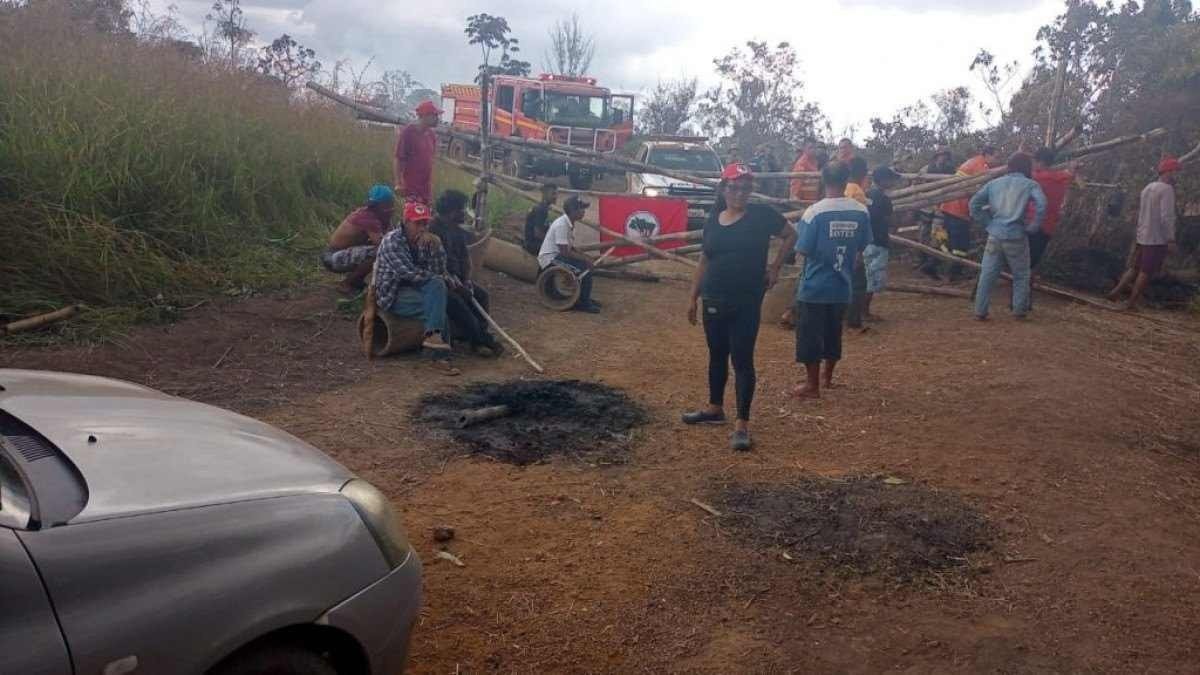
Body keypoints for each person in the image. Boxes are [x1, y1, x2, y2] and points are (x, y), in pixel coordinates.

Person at [682, 162, 796, 451]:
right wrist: (693, 296)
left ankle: (742, 424)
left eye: (746, 187)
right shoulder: (713, 220)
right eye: (734, 187)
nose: (740, 193)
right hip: (713, 298)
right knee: (716, 354)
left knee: (742, 360)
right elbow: (705, 260)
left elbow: (791, 234)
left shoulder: (761, 216)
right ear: (723, 188)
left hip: (746, 299)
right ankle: (714, 408)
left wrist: (775, 267)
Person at [791, 161, 872, 399]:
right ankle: (828, 378)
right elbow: (862, 246)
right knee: (833, 332)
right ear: (847, 179)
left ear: (823, 180)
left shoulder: (815, 212)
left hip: (815, 285)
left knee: (809, 335)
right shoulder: (860, 211)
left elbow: (803, 249)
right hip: (842, 284)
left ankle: (811, 385)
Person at [969, 153, 1046, 320]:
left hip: (994, 235)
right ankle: (1019, 311)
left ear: (1009, 166)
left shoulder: (994, 183)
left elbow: (974, 204)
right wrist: (1033, 227)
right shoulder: (1030, 184)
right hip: (1017, 236)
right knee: (1021, 275)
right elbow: (1042, 205)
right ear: (1027, 167)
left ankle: (980, 311)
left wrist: (987, 223)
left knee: (987, 274)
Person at [429, 190, 504, 356]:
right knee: (458, 303)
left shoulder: (456, 229)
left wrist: (468, 281)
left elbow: (465, 258)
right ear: (451, 211)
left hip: (458, 279)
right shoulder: (432, 230)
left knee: (481, 295)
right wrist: (454, 284)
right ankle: (481, 341)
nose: (465, 212)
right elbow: (434, 266)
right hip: (440, 281)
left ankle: (477, 337)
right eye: (462, 209)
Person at [373, 201, 452, 352]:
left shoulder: (426, 240)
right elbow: (408, 274)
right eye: (418, 223)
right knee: (438, 306)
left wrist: (438, 247)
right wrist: (437, 279)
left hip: (415, 289)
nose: (422, 228)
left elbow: (439, 270)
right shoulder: (392, 241)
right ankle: (438, 357)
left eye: (425, 223)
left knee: (437, 292)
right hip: (393, 295)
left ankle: (434, 343)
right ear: (406, 222)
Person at [1107, 157, 1180, 310]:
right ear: (1169, 172)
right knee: (1146, 271)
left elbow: (1141, 213)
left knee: (1134, 267)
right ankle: (1131, 303)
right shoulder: (1167, 190)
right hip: (1157, 238)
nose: (1176, 175)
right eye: (1175, 171)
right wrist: (1170, 239)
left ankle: (1115, 292)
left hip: (1143, 235)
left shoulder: (1147, 188)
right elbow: (1166, 217)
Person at [321, 184, 394, 294]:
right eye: (388, 204)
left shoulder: (369, 213)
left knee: (375, 250)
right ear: (383, 205)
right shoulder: (369, 218)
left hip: (334, 255)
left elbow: (388, 235)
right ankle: (347, 283)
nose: (390, 207)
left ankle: (356, 281)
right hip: (333, 258)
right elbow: (384, 244)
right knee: (378, 252)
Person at [938, 145, 997, 281]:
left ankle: (945, 269)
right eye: (995, 156)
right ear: (987, 154)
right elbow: (985, 188)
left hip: (950, 206)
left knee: (952, 242)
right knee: (960, 244)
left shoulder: (973, 161)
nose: (996, 160)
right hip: (958, 208)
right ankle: (953, 274)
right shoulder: (981, 166)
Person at [537, 196, 601, 313]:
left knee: (584, 265)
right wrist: (586, 260)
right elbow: (565, 252)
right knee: (584, 269)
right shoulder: (562, 225)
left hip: (557, 256)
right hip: (550, 259)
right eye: (581, 209)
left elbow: (570, 248)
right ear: (573, 210)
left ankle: (583, 298)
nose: (583, 211)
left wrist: (586, 257)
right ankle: (584, 303)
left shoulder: (569, 223)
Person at [863, 166, 903, 321]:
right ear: (883, 180)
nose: (893, 182)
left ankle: (861, 310)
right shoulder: (884, 199)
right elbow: (892, 221)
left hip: (867, 241)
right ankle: (864, 312)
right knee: (872, 280)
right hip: (879, 241)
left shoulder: (867, 194)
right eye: (891, 179)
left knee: (866, 277)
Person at [1027, 147, 1075, 271]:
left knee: (1020, 260)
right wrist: (1071, 168)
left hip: (1030, 223)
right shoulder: (1063, 177)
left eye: (1035, 161)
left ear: (1041, 162)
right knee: (1032, 261)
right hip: (1048, 227)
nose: (1033, 164)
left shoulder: (1036, 177)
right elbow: (1069, 174)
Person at [917, 146, 957, 279]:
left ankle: (931, 264)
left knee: (938, 235)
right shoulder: (926, 169)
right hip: (926, 206)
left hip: (941, 207)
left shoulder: (951, 170)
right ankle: (922, 262)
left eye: (945, 155)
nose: (943, 157)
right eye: (940, 155)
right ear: (936, 156)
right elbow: (917, 184)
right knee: (923, 235)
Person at [843, 156, 872, 330]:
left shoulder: (845, 188)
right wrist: (860, 250)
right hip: (852, 242)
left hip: (839, 239)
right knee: (858, 283)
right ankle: (854, 320)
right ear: (863, 173)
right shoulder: (858, 193)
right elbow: (861, 222)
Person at [393, 100, 440, 205]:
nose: (437, 119)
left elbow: (430, 162)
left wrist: (430, 190)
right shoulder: (408, 132)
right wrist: (398, 183)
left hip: (425, 190)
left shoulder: (431, 135)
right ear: (425, 116)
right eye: (435, 115)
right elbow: (399, 158)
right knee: (412, 218)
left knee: (424, 218)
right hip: (411, 189)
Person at [524, 183, 558, 256]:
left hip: (532, 242)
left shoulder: (542, 207)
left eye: (556, 194)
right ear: (545, 195)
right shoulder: (541, 210)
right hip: (533, 245)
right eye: (553, 194)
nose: (556, 196)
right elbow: (538, 233)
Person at [789, 138, 822, 203]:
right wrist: (795, 197)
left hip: (812, 199)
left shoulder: (814, 161)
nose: (813, 150)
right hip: (803, 200)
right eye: (810, 148)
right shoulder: (801, 163)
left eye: (815, 148)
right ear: (804, 149)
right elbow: (796, 183)